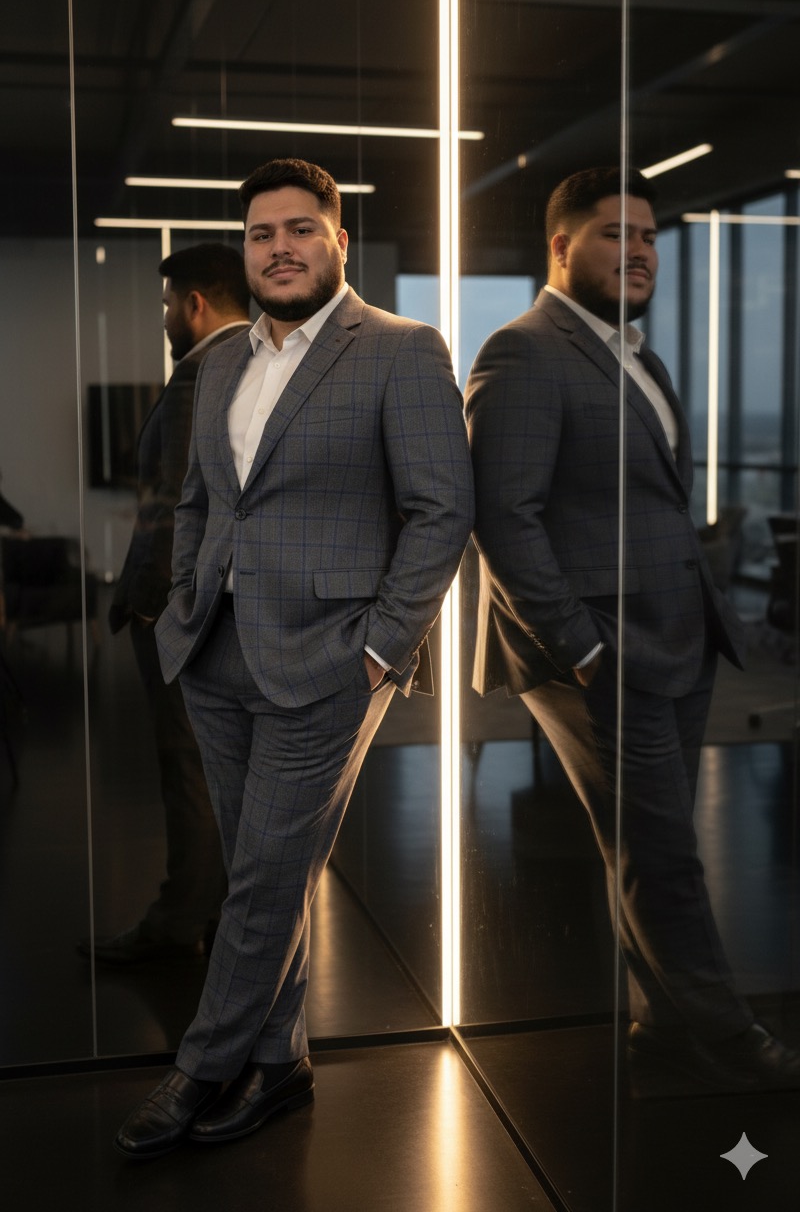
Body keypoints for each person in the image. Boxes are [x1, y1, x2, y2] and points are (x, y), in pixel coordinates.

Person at [114, 158, 474, 1157]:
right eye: (262, 232)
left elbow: (442, 507)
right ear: (245, 249)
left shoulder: (400, 350)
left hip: (327, 660)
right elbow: (199, 497)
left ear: (337, 241)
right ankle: (281, 1061)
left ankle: (201, 1065)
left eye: (301, 229)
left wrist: (379, 649)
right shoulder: (221, 360)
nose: (280, 247)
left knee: (264, 875)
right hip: (215, 652)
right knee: (262, 870)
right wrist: (184, 601)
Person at [465, 166, 800, 1094]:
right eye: (616, 233)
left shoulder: (637, 358)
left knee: (644, 846)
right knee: (662, 852)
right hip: (599, 654)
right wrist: (581, 646)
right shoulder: (523, 352)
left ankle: (662, 1020)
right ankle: (732, 1043)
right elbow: (504, 517)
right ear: (562, 248)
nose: (641, 249)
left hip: (671, 641)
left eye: (649, 234)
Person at [82, 243, 252, 964]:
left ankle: (182, 920)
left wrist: (158, 607)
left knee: (189, 770)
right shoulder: (250, 364)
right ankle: (209, 914)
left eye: (165, 307)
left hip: (179, 615)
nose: (163, 322)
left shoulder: (203, 374)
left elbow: (186, 507)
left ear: (194, 304)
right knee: (209, 773)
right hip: (210, 611)